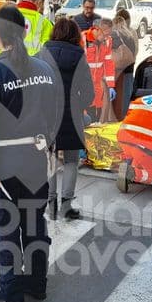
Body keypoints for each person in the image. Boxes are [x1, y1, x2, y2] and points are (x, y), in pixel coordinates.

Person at [0, 5, 58, 302]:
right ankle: (37, 283)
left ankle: (11, 294)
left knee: (7, 230)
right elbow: (54, 116)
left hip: (3, 166)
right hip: (35, 161)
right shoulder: (45, 71)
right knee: (35, 224)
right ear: (25, 32)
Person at [38, 17, 94, 220]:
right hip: (71, 114)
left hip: (47, 114)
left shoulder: (43, 53)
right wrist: (78, 106)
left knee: (50, 159)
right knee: (71, 160)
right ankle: (67, 207)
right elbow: (89, 93)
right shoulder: (79, 56)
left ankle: (50, 205)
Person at [84, 17, 116, 122]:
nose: (106, 37)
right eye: (105, 34)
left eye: (108, 34)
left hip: (98, 83)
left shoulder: (108, 41)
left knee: (98, 107)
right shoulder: (84, 39)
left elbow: (108, 63)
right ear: (97, 29)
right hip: (85, 81)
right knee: (86, 109)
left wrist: (111, 85)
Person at [111, 10, 138, 120]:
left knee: (115, 102)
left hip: (116, 72)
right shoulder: (131, 35)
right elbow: (135, 52)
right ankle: (125, 119)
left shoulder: (113, 35)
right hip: (129, 70)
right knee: (126, 98)